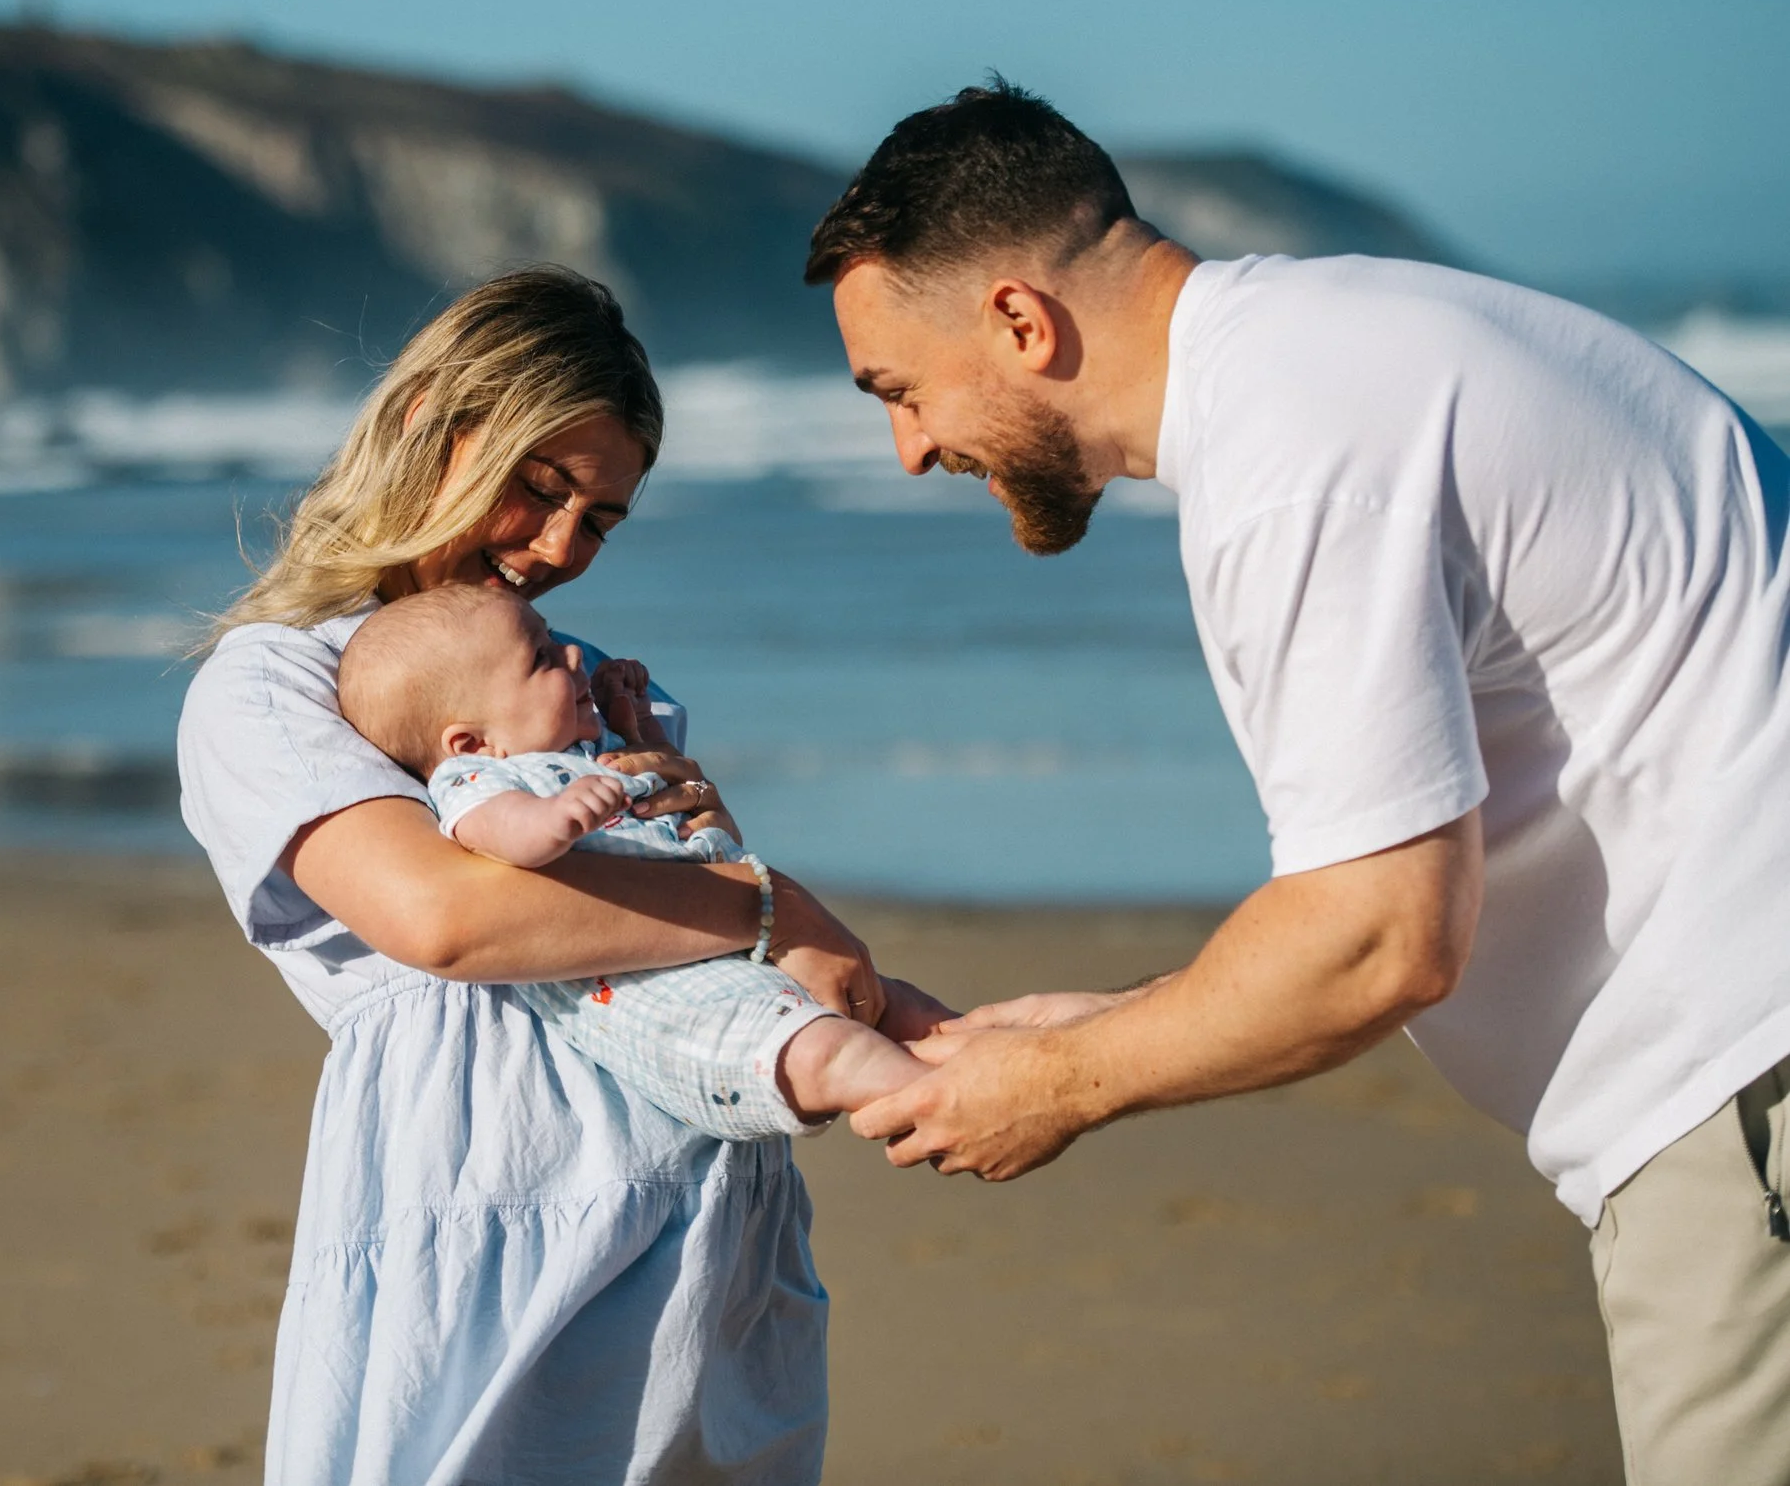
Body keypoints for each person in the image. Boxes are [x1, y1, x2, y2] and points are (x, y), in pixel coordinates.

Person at [808, 79, 1790, 1483]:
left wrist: (1064, 1079)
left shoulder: (1294, 457)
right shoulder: (1324, 352)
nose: (909, 448)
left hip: (1749, 1066)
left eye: (899, 389)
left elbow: (1384, 936)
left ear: (1021, 321)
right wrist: (1133, 1010)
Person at [174, 266, 915, 1486]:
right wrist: (778, 908)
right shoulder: (272, 686)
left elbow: (685, 906)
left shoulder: (579, 684)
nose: (562, 547)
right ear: (427, 425)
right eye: (538, 487)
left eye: (602, 517)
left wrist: (728, 862)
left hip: (708, 1171)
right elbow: (445, 919)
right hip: (495, 1188)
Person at [335, 582, 937, 1133]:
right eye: (542, 658)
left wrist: (631, 720)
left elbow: (662, 793)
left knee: (881, 997)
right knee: (827, 1052)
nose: (573, 657)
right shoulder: (480, 778)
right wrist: (556, 819)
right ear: (470, 741)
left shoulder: (585, 750)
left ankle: (967, 1043)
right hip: (669, 1000)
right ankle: (939, 1097)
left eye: (553, 638)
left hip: (726, 946)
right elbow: (497, 834)